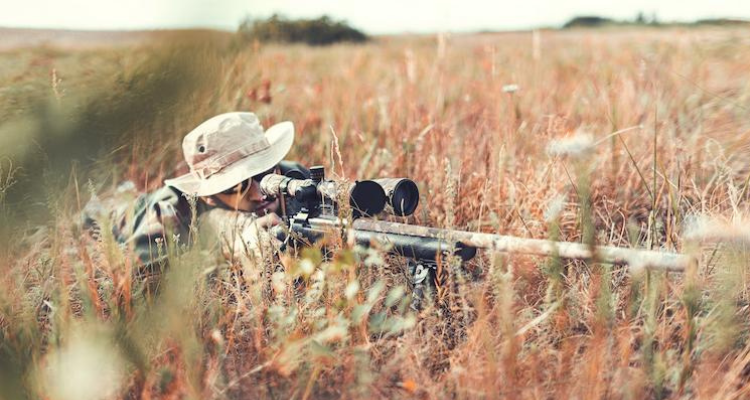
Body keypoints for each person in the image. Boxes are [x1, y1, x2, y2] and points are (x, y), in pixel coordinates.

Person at [81, 112, 306, 281]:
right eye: (237, 185)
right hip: (124, 215)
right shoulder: (168, 213)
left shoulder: (290, 178)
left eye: (264, 173)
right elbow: (134, 278)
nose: (259, 193)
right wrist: (228, 251)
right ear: (209, 196)